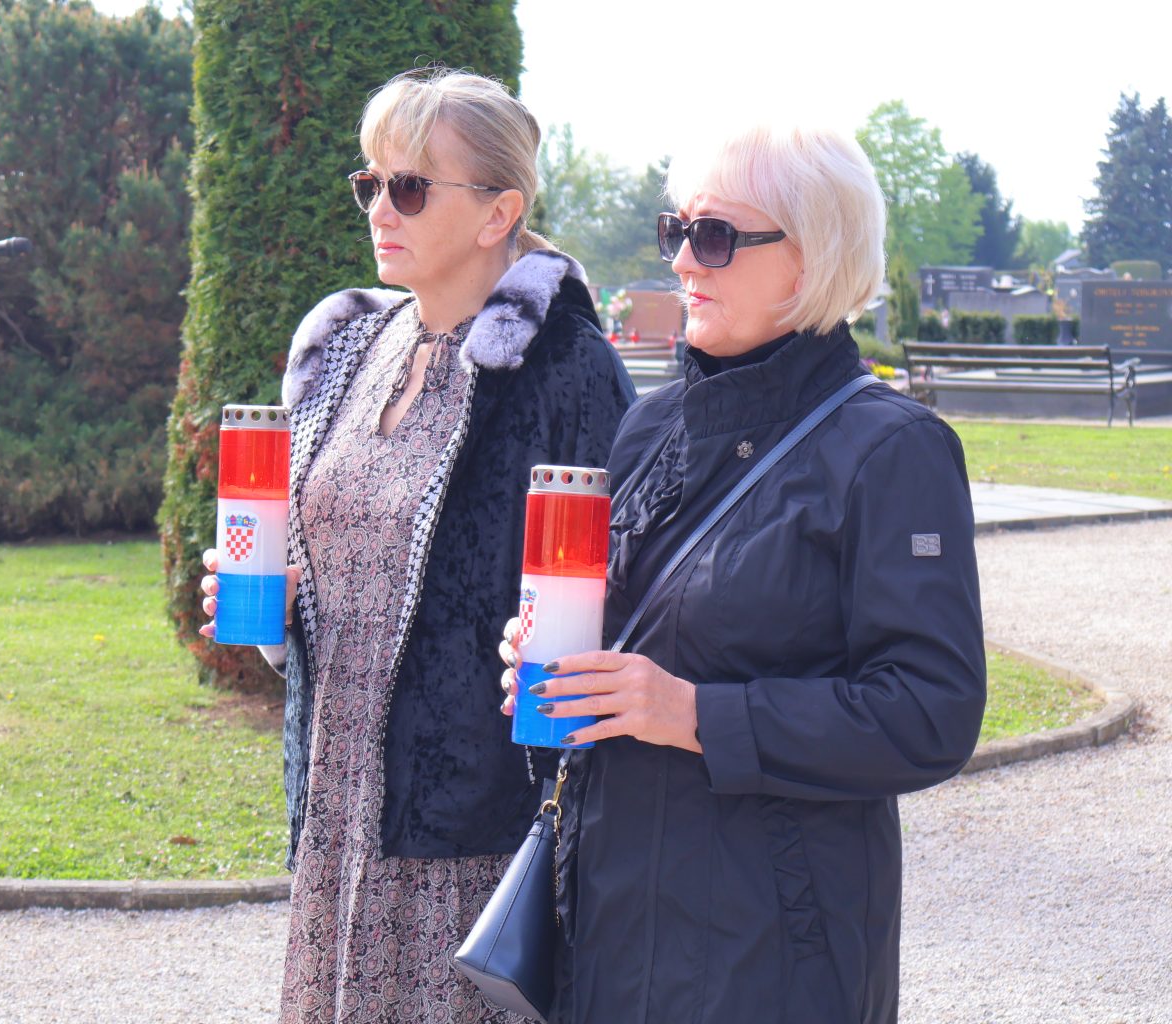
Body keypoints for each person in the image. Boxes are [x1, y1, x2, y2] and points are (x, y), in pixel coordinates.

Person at [498, 123, 986, 1023]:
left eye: (716, 236)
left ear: (811, 257)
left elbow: (931, 712)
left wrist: (693, 713)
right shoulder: (650, 427)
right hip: (609, 927)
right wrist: (563, 662)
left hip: (775, 955)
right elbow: (649, 637)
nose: (684, 261)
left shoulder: (893, 450)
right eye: (676, 230)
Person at [199, 68, 634, 1023]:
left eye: (409, 186)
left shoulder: (567, 371)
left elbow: (621, 607)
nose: (380, 209)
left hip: (473, 827)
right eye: (371, 182)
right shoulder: (353, 349)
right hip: (337, 798)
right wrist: (281, 608)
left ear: (498, 213)